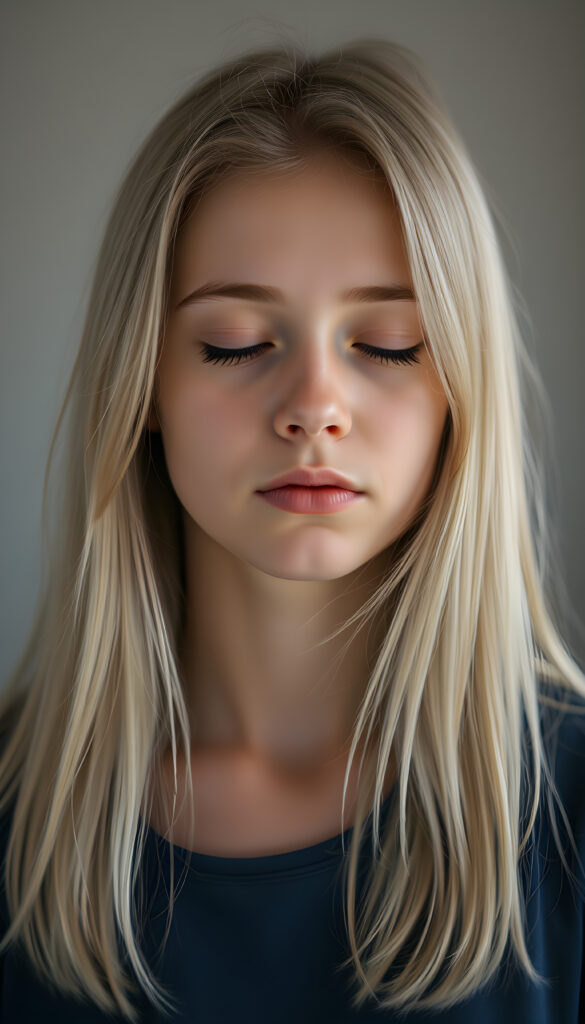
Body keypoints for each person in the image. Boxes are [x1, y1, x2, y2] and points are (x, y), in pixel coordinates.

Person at [0, 36, 583, 1024]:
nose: (315, 404)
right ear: (143, 380)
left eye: (389, 345)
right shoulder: (21, 811)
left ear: (460, 391)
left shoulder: (564, 815)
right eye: (235, 344)